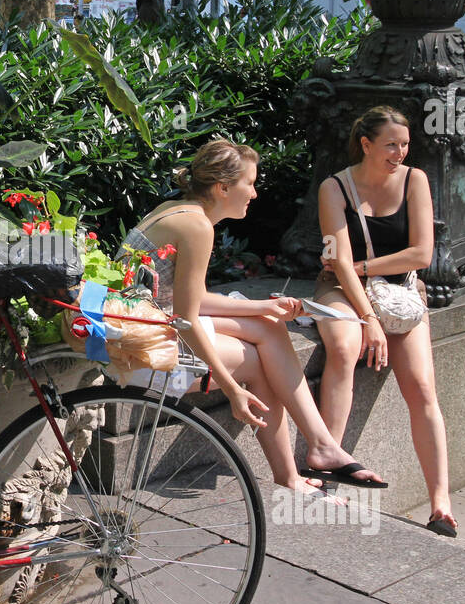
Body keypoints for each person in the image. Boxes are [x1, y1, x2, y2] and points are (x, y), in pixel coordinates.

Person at [119, 139, 387, 497]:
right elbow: (187, 317)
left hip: (144, 324)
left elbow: (190, 301)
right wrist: (231, 388)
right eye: (251, 183)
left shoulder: (179, 209)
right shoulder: (197, 227)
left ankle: (321, 444)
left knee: (268, 324)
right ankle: (290, 476)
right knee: (255, 362)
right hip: (136, 350)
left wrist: (262, 308)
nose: (256, 194)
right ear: (223, 187)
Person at [313, 107, 455, 535]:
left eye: (405, 144)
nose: (400, 152)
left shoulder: (415, 180)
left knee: (423, 387)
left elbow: (421, 255)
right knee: (343, 347)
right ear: (367, 143)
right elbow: (336, 264)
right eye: (391, 144)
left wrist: (362, 268)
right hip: (342, 287)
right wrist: (368, 318)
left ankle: (440, 502)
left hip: (398, 292)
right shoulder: (334, 186)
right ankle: (325, 464)